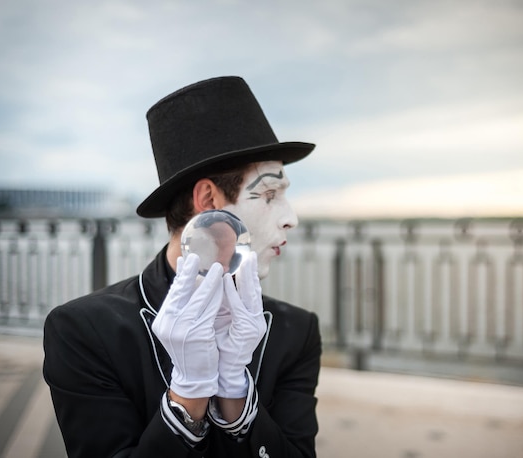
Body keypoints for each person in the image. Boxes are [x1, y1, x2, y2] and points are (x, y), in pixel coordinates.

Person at [43, 76, 321, 458]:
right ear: (208, 199)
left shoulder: (295, 330)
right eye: (270, 195)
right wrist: (186, 397)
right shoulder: (85, 331)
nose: (291, 218)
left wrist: (235, 396)